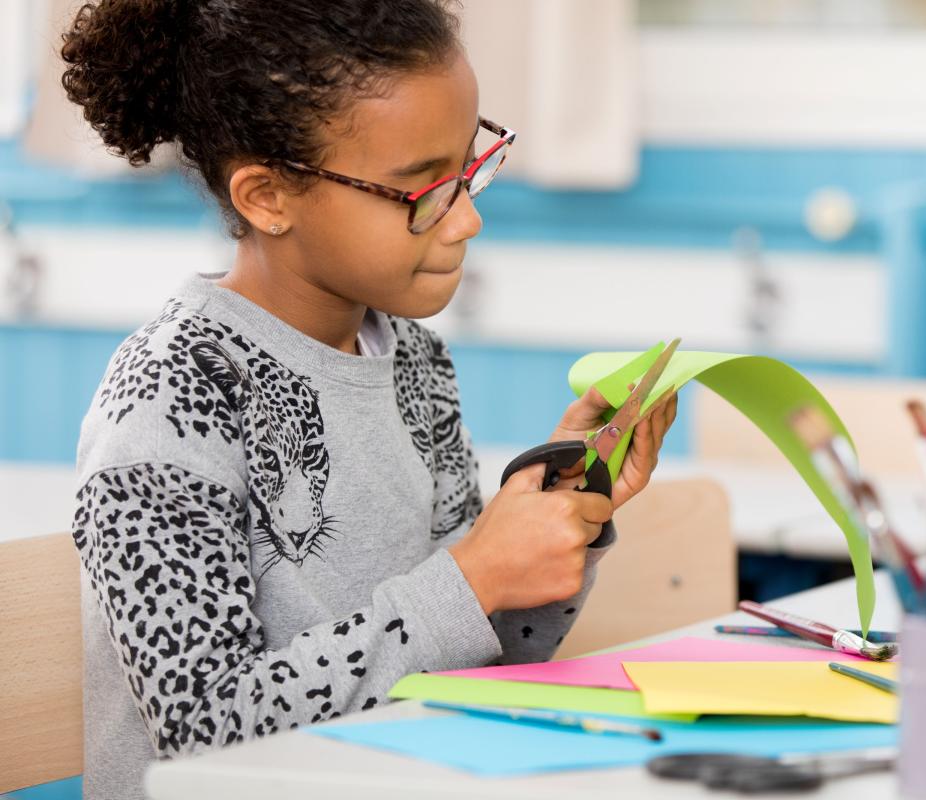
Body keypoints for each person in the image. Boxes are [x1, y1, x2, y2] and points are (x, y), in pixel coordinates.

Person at [60, 1, 677, 797]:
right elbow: (204, 736)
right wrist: (475, 575)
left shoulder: (413, 360)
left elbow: (478, 658)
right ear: (267, 197)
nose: (469, 220)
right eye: (422, 191)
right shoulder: (168, 397)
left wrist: (558, 511)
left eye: (469, 170)